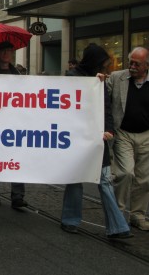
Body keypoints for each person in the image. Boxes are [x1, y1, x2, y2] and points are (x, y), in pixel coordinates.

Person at [61, 44, 132, 239]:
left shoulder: (100, 81)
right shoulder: (74, 77)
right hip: (77, 138)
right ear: (95, 63)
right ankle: (70, 219)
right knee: (76, 179)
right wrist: (93, 82)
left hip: (97, 139)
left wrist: (109, 129)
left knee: (105, 181)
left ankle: (117, 226)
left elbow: (106, 108)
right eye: (104, 65)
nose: (106, 69)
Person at [107, 46, 149, 231]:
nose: (132, 66)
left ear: (146, 65)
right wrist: (97, 81)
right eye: (130, 61)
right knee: (125, 173)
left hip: (146, 134)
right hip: (123, 132)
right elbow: (101, 94)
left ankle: (138, 216)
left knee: (144, 179)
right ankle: (118, 214)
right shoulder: (117, 77)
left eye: (136, 64)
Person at [0, 41, 28, 209]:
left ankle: (17, 196)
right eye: (2, 50)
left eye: (8, 51)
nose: (6, 53)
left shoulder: (18, 74)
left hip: (14, 123)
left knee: (17, 158)